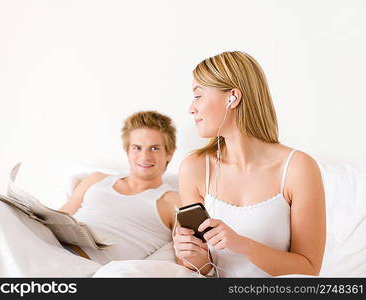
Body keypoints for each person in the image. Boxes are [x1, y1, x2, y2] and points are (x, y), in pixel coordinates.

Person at [173, 51, 326, 277]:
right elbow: (205, 270)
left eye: (198, 96)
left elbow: (309, 269)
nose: (191, 108)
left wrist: (242, 245)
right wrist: (194, 257)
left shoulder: (298, 168)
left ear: (232, 97)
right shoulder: (194, 169)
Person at [59, 110, 181, 265]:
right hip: (53, 246)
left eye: (154, 148)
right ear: (127, 150)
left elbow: (194, 263)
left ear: (169, 153)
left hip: (82, 264)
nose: (145, 156)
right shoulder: (95, 179)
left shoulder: (173, 201)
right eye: (137, 147)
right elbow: (58, 218)